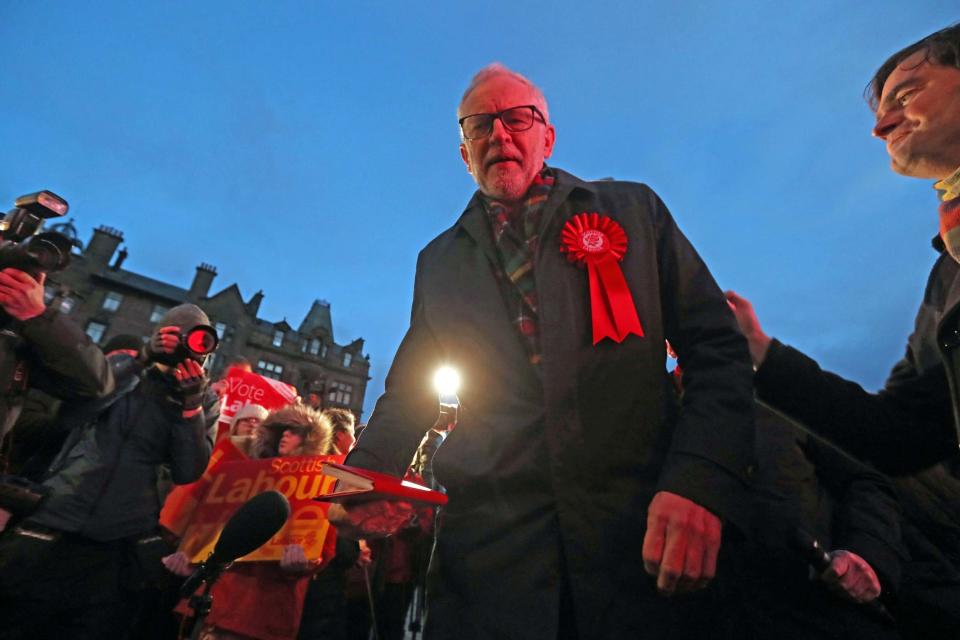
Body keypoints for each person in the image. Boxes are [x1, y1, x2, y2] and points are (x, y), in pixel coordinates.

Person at [330, 64, 755, 639]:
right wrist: (364, 481)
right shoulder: (440, 262)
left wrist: (698, 482)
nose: (499, 135)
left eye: (518, 118)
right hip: (492, 565)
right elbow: (408, 391)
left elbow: (717, 350)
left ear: (547, 138)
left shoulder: (634, 211)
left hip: (638, 545)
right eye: (480, 125)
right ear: (463, 153)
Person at [725, 23, 960, 474]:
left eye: (907, 96)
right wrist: (759, 352)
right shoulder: (945, 280)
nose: (881, 127)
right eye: (881, 111)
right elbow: (900, 434)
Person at [0, 303, 217, 639]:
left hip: (119, 541)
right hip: (53, 523)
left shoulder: (200, 402)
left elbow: (188, 470)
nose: (188, 346)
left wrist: (190, 407)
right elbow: (73, 412)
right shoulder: (123, 370)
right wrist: (141, 359)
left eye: (199, 342)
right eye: (177, 335)